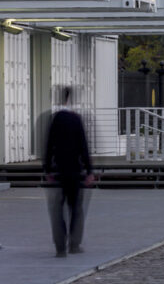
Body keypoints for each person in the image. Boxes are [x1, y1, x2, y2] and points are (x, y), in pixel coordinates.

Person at [44, 86, 94, 257]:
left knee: (57, 210)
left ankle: (60, 247)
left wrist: (47, 169)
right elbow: (83, 146)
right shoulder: (76, 120)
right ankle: (74, 244)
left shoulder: (54, 119)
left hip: (59, 170)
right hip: (74, 169)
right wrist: (89, 170)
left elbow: (49, 144)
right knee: (76, 209)